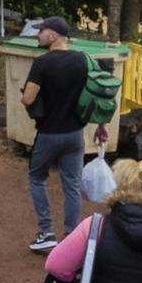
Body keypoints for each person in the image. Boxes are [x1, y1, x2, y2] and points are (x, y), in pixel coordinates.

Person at [20, 16, 88, 252]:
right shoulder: (81, 60)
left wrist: (27, 98)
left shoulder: (43, 63)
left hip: (49, 132)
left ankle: (46, 232)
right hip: (76, 134)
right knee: (72, 185)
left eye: (42, 31)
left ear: (54, 35)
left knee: (36, 177)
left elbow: (28, 98)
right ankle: (71, 239)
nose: (38, 35)